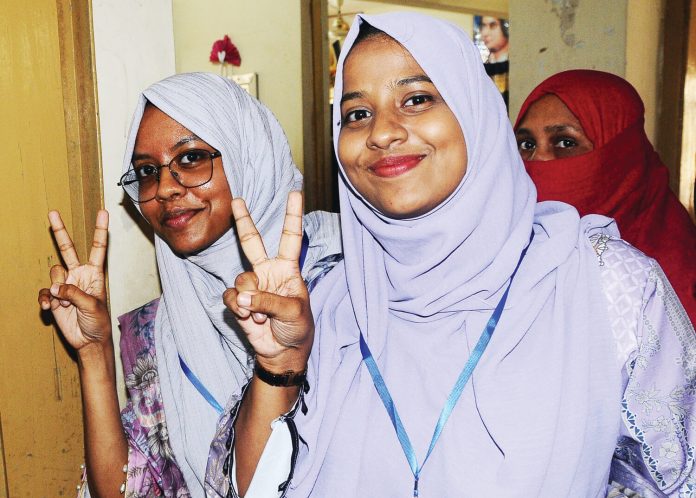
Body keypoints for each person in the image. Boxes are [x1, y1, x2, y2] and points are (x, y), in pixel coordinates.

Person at [217, 12, 696, 497]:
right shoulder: (325, 301)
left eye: (416, 99)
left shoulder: (606, 287)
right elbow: (253, 490)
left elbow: (678, 481)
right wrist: (281, 364)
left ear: (475, 111)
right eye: (357, 114)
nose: (382, 132)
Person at [37, 73, 342, 497]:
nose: (164, 188)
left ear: (247, 155)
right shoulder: (158, 331)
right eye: (147, 171)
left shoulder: (351, 281)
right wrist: (94, 353)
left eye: (191, 157)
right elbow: (127, 491)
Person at [514, 69, 696, 327]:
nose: (538, 160)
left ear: (619, 157)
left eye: (565, 143)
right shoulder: (501, 255)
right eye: (527, 145)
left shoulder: (672, 280)